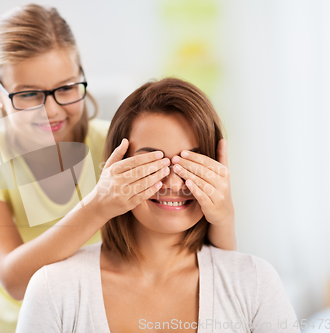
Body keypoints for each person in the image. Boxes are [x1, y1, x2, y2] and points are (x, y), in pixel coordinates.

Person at [0, 5, 237, 333]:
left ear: (81, 75)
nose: (51, 110)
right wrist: (99, 205)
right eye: (29, 94)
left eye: (66, 88)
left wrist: (224, 213)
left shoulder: (114, 145)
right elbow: (14, 280)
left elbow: (217, 265)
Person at [16, 78, 300, 333]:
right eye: (153, 162)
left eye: (191, 163)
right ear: (114, 168)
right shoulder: (54, 289)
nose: (175, 183)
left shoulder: (255, 281)